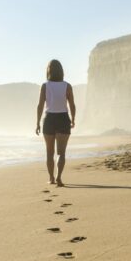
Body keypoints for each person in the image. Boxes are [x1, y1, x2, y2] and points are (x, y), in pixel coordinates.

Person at [35, 59, 76, 187]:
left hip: (49, 119)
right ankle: (59, 177)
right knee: (61, 153)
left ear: (49, 71)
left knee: (49, 152)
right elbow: (72, 105)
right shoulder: (67, 86)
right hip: (63, 118)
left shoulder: (45, 86)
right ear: (61, 71)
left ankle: (51, 178)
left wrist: (37, 123)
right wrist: (73, 119)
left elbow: (40, 105)